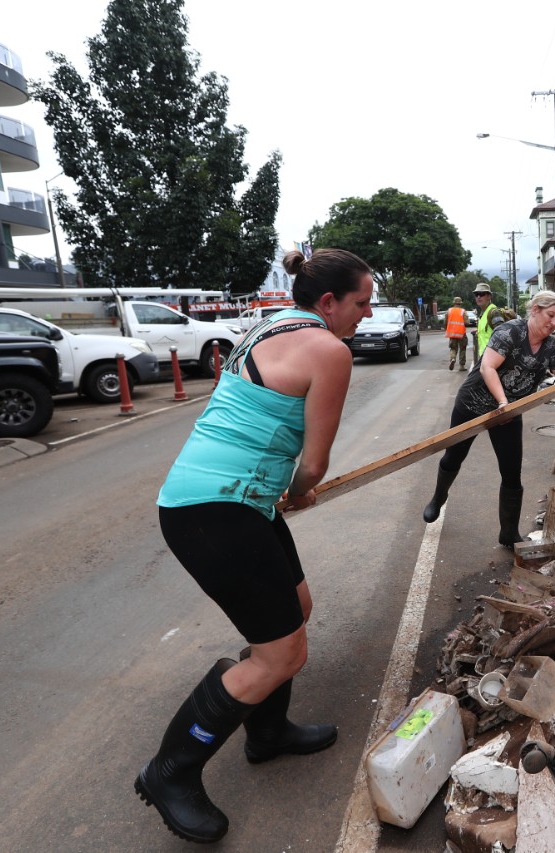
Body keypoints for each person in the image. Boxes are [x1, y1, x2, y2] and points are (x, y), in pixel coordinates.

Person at [136, 248, 374, 843]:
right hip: (214, 510)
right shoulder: (329, 350)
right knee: (281, 654)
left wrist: (279, 495)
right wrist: (298, 492)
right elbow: (313, 464)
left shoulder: (270, 321)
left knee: (297, 611)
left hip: (230, 500)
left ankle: (267, 735)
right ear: (327, 303)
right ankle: (170, 772)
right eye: (361, 303)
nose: (366, 315)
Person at [421, 290, 555, 548]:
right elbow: (488, 366)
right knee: (454, 456)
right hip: (474, 403)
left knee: (511, 472)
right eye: (550, 315)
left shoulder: (552, 347)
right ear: (536, 310)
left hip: (507, 414)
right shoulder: (510, 332)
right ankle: (438, 499)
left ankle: (508, 533)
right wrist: (503, 402)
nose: (553, 323)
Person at [471, 282, 509, 361]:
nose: (478, 297)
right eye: (476, 294)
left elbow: (502, 336)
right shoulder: (483, 314)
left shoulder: (494, 313)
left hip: (493, 359)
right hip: (484, 357)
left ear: (489, 296)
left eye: (481, 294)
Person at [445, 296, 469, 371]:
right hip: (461, 333)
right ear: (460, 303)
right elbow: (466, 322)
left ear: (454, 303)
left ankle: (453, 359)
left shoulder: (449, 311)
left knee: (453, 348)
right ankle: (462, 366)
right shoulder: (463, 311)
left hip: (452, 333)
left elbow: (445, 322)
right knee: (462, 349)